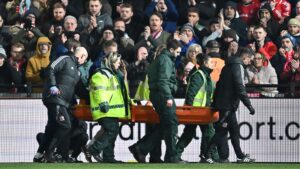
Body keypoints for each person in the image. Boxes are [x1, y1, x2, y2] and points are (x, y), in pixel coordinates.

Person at [129, 39, 183, 163]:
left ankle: (141, 148)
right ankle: (171, 157)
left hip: (159, 94)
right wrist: (169, 96)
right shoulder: (165, 60)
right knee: (171, 124)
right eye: (178, 52)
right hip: (163, 95)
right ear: (171, 50)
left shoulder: (161, 59)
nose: (179, 54)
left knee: (165, 125)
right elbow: (163, 81)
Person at [203, 51, 256, 163]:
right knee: (222, 131)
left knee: (233, 131)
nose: (250, 62)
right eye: (250, 59)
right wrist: (249, 105)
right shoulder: (238, 66)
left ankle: (240, 156)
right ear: (245, 57)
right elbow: (240, 87)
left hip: (224, 105)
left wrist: (215, 103)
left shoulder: (226, 67)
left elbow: (218, 85)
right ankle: (206, 155)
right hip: (228, 106)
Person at [39, 47, 88, 162]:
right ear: (82, 57)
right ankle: (49, 153)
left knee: (53, 127)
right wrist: (53, 86)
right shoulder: (65, 59)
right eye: (84, 59)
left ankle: (41, 154)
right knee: (65, 125)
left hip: (63, 102)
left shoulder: (77, 72)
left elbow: (80, 90)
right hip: (55, 98)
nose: (84, 62)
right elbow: (50, 68)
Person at [87, 52, 130, 163]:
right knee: (112, 131)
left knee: (112, 131)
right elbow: (99, 90)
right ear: (111, 62)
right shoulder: (101, 74)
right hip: (105, 109)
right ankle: (92, 149)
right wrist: (103, 103)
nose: (119, 64)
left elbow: (120, 93)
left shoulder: (113, 74)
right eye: (118, 62)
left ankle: (108, 157)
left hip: (112, 110)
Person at [176, 54, 217, 163]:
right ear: (205, 63)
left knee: (194, 133)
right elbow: (191, 94)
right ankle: (212, 156)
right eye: (211, 62)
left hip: (201, 111)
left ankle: (176, 154)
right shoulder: (199, 75)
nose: (213, 64)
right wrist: (190, 111)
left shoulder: (204, 75)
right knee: (208, 133)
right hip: (197, 112)